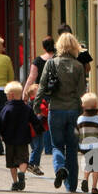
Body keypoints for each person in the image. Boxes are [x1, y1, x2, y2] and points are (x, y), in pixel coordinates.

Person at [37, 33, 86, 192]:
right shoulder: (79, 66)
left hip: (55, 109)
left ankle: (59, 168)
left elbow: (42, 86)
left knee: (57, 145)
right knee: (72, 147)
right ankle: (71, 185)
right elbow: (81, 91)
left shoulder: (51, 63)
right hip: (73, 110)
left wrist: (36, 106)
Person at [0, 81, 42, 191]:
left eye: (7, 94)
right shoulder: (26, 108)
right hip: (23, 139)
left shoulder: (6, 109)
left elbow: (1, 122)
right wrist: (39, 130)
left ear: (11, 95)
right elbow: (34, 121)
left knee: (12, 162)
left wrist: (0, 134)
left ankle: (15, 182)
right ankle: (22, 173)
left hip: (9, 139)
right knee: (23, 160)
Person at [22, 36, 56, 177]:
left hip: (40, 94)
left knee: (40, 121)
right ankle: (49, 148)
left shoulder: (38, 60)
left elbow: (31, 76)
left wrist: (25, 92)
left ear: (43, 47)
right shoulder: (57, 58)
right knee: (49, 122)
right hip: (55, 94)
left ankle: (40, 151)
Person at [77, 92, 98, 194]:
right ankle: (94, 187)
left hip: (84, 146)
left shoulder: (80, 119)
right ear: (96, 105)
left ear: (83, 105)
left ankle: (85, 179)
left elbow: (77, 132)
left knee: (88, 163)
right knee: (96, 166)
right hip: (97, 145)